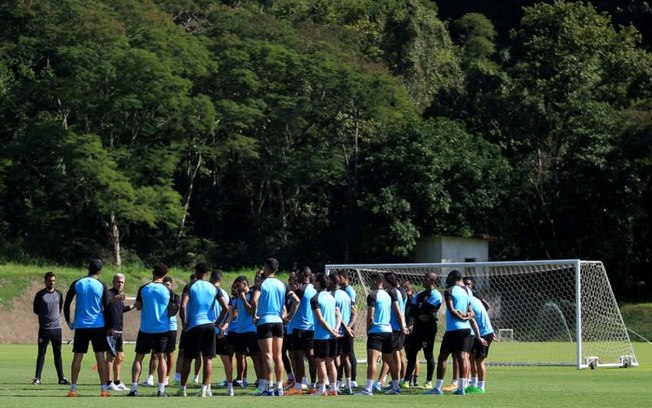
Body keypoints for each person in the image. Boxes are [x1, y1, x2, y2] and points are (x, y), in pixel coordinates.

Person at [426, 270, 486, 396]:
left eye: (448, 277)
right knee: (462, 358)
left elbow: (452, 310)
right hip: (467, 330)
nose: (446, 280)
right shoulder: (465, 292)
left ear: (453, 278)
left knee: (443, 357)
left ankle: (438, 388)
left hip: (454, 330)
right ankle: (461, 388)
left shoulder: (449, 291)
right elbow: (472, 313)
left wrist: (461, 317)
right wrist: (466, 316)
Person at [63, 259, 113, 397]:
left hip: (81, 325)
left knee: (77, 356)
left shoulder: (78, 283)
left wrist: (68, 321)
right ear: (100, 271)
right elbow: (107, 308)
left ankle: (73, 389)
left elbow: (67, 304)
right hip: (98, 325)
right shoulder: (102, 285)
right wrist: (110, 326)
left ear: (88, 269)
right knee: (100, 358)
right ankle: (103, 389)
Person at [127, 263, 178, 397]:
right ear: (165, 275)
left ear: (153, 273)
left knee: (139, 357)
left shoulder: (143, 288)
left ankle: (133, 389)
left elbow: (138, 306)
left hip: (145, 329)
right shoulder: (168, 290)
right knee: (162, 357)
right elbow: (172, 310)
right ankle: (161, 390)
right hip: (162, 328)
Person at [178, 263, 227, 397]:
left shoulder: (190, 286)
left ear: (196, 272)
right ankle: (204, 389)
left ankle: (182, 389)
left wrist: (184, 324)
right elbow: (225, 308)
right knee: (208, 358)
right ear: (207, 273)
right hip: (209, 326)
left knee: (188, 358)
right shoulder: (214, 288)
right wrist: (216, 323)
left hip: (194, 325)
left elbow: (182, 306)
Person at [357, 273, 400, 396]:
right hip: (388, 330)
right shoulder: (388, 295)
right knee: (390, 360)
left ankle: (368, 389)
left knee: (372, 361)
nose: (370, 284)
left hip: (376, 331)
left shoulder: (372, 295)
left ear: (376, 281)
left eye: (371, 281)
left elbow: (370, 316)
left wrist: (368, 329)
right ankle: (396, 387)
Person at [251, 258, 287, 396]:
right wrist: (287, 316)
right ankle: (280, 387)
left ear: (266, 267)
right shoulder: (282, 284)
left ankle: (269, 387)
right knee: (278, 356)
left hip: (265, 321)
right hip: (278, 322)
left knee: (267, 355)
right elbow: (295, 300)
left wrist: (254, 315)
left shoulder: (261, 284)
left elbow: (254, 299)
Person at [403, 272, 441, 389]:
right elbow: (412, 311)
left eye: (426, 279)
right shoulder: (419, 295)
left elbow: (429, 312)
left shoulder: (436, 295)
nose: (423, 281)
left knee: (428, 354)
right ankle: (406, 380)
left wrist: (419, 311)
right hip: (417, 328)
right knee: (412, 353)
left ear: (432, 281)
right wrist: (420, 312)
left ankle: (428, 382)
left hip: (428, 329)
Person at [32, 271, 69, 385]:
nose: (52, 282)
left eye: (53, 280)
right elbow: (36, 310)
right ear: (45, 281)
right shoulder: (40, 295)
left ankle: (61, 378)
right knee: (41, 353)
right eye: (49, 280)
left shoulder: (59, 294)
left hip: (56, 329)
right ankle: (37, 378)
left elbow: (59, 309)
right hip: (44, 329)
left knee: (57, 353)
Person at [373, 272, 408, 392]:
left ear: (388, 281)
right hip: (397, 327)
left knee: (391, 357)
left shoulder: (392, 292)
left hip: (394, 327)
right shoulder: (401, 291)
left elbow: (398, 311)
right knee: (395, 356)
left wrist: (403, 326)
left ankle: (390, 383)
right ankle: (393, 383)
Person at [310, 273, 342, 396]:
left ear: (318, 283)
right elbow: (338, 315)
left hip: (321, 336)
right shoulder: (332, 297)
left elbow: (320, 319)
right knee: (331, 362)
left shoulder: (315, 298)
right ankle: (334, 389)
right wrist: (336, 329)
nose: (313, 283)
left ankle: (322, 389)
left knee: (320, 362)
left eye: (315, 281)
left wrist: (331, 331)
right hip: (333, 336)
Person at [286, 266, 316, 395]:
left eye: (298, 274)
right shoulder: (314, 289)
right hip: (311, 328)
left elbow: (295, 303)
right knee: (311, 357)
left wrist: (288, 318)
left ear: (303, 274)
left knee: (298, 357)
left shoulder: (301, 290)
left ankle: (298, 386)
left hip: (299, 328)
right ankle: (313, 385)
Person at [229, 275, 261, 388]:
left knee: (254, 356)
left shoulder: (252, 295)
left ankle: (259, 380)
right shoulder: (237, 297)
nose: (237, 288)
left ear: (244, 284)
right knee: (239, 356)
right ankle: (241, 379)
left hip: (250, 330)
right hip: (239, 330)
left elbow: (251, 311)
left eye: (239, 286)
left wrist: (243, 298)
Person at [105, 273, 135, 391]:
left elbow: (120, 310)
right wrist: (115, 299)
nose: (120, 284)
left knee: (120, 357)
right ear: (113, 282)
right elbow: (106, 304)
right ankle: (108, 383)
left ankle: (117, 382)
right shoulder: (108, 294)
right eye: (118, 281)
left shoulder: (120, 296)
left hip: (119, 330)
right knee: (111, 358)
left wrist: (133, 306)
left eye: (122, 282)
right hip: (110, 330)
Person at [329, 272, 355, 395]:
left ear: (333, 282)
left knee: (336, 358)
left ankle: (337, 383)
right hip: (347, 331)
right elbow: (354, 312)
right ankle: (349, 385)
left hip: (339, 331)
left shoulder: (333, 295)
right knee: (346, 358)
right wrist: (350, 327)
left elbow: (338, 315)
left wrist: (346, 327)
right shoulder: (346, 294)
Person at [210, 270, 235, 396]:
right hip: (223, 331)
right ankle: (230, 388)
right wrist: (225, 326)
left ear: (211, 278)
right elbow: (230, 313)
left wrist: (218, 325)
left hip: (211, 329)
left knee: (207, 359)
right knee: (226, 361)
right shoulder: (225, 293)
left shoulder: (208, 291)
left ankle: (207, 387)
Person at [466, 287, 495, 394]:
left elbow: (474, 318)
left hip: (483, 333)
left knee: (479, 360)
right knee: (471, 358)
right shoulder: (474, 300)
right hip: (478, 333)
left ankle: (481, 387)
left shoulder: (468, 301)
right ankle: (473, 385)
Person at [338, 269, 358, 388]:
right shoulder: (341, 290)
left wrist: (349, 327)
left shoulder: (350, 291)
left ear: (345, 279)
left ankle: (353, 379)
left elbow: (354, 310)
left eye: (340, 278)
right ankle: (339, 378)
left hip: (348, 325)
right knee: (341, 354)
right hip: (341, 326)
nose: (339, 280)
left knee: (349, 352)